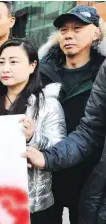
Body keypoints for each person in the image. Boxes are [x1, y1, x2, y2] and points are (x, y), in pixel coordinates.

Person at [0, 38, 66, 223]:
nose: (5, 68)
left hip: (33, 204)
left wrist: (32, 137)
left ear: (32, 65)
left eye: (14, 62)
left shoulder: (48, 104)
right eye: (1, 62)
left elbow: (61, 149)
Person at [37, 5, 106, 223]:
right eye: (64, 30)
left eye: (77, 29)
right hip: (47, 171)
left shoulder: (101, 73)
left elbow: (92, 131)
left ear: (96, 32)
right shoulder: (41, 71)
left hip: (89, 174)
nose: (68, 35)